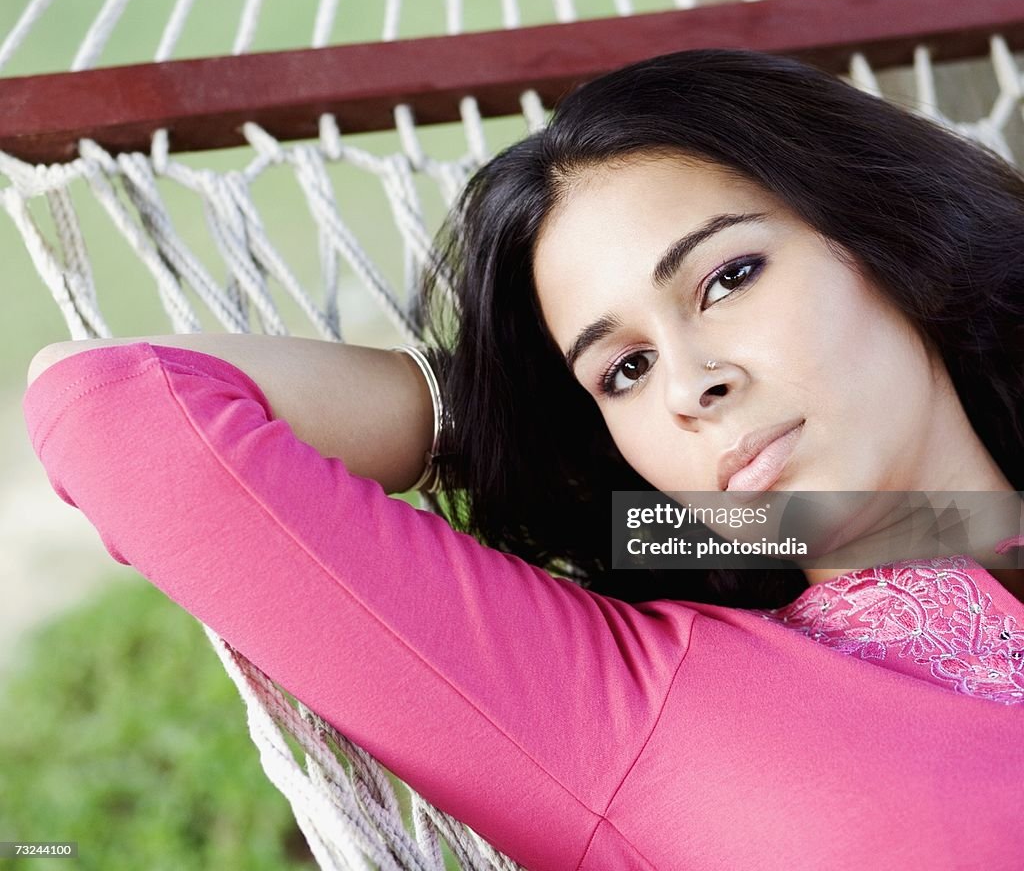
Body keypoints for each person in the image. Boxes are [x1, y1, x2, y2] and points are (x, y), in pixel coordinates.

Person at [23, 50, 1024, 871]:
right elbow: (114, 404)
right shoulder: (627, 707)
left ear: (893, 242)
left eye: (728, 277)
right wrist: (523, 426)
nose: (688, 384)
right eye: (623, 368)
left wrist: (947, 520)